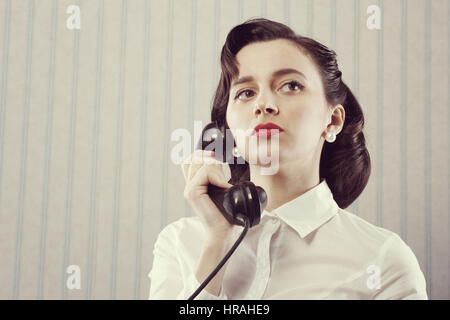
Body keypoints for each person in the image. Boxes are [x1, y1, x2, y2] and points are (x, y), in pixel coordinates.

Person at [148, 18, 428, 300]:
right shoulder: (179, 243)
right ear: (228, 132)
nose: (263, 105)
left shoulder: (384, 260)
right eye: (246, 92)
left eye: (291, 86)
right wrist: (216, 244)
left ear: (332, 120)